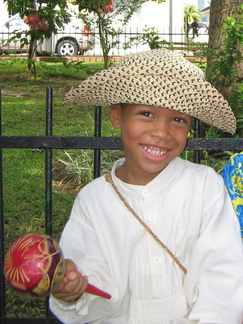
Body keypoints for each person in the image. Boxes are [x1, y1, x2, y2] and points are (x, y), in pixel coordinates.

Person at [49, 49, 243, 324]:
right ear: (117, 116)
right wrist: (74, 289)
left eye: (178, 119)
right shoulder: (93, 200)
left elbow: (222, 275)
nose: (162, 132)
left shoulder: (204, 187)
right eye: (147, 113)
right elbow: (89, 276)